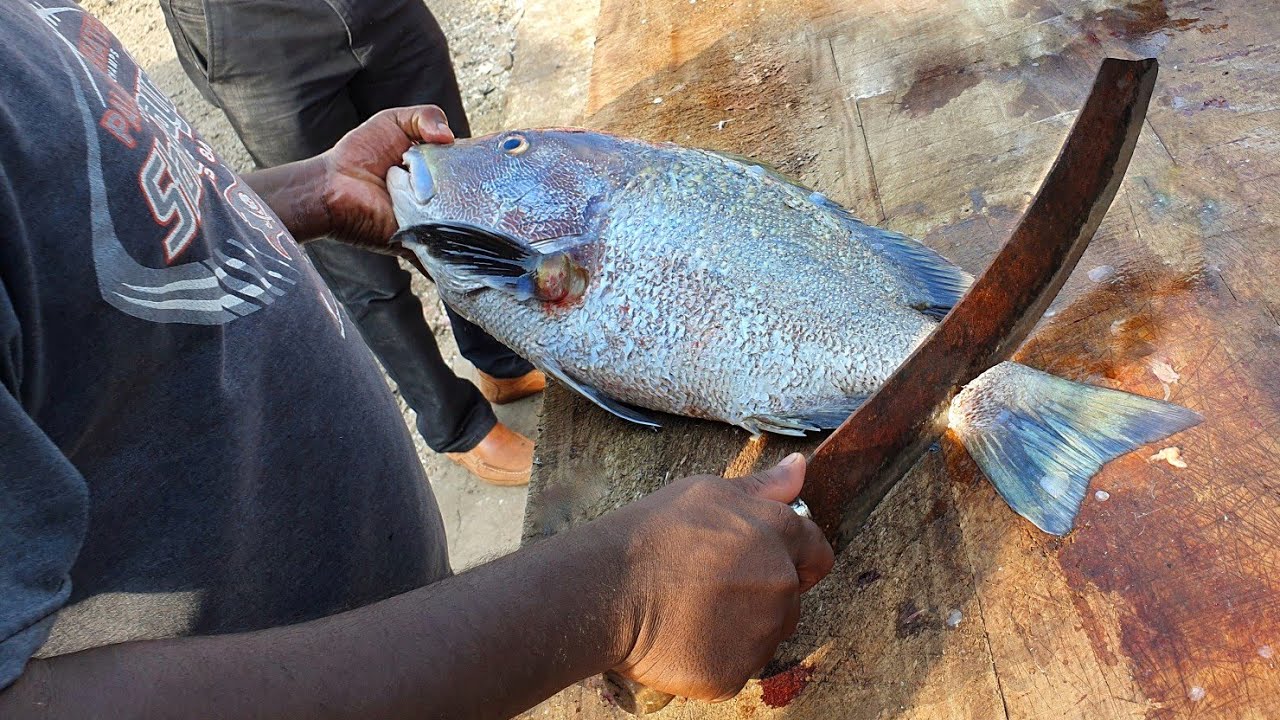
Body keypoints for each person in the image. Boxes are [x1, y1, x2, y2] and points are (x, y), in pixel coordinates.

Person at [0, 2, 835, 718]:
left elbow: (84, 246)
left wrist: (300, 192)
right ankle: (464, 427)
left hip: (398, 636)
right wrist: (617, 597)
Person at [158, 0, 540, 486]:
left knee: (457, 190)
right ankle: (454, 424)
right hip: (251, 31)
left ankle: (500, 360)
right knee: (356, 255)